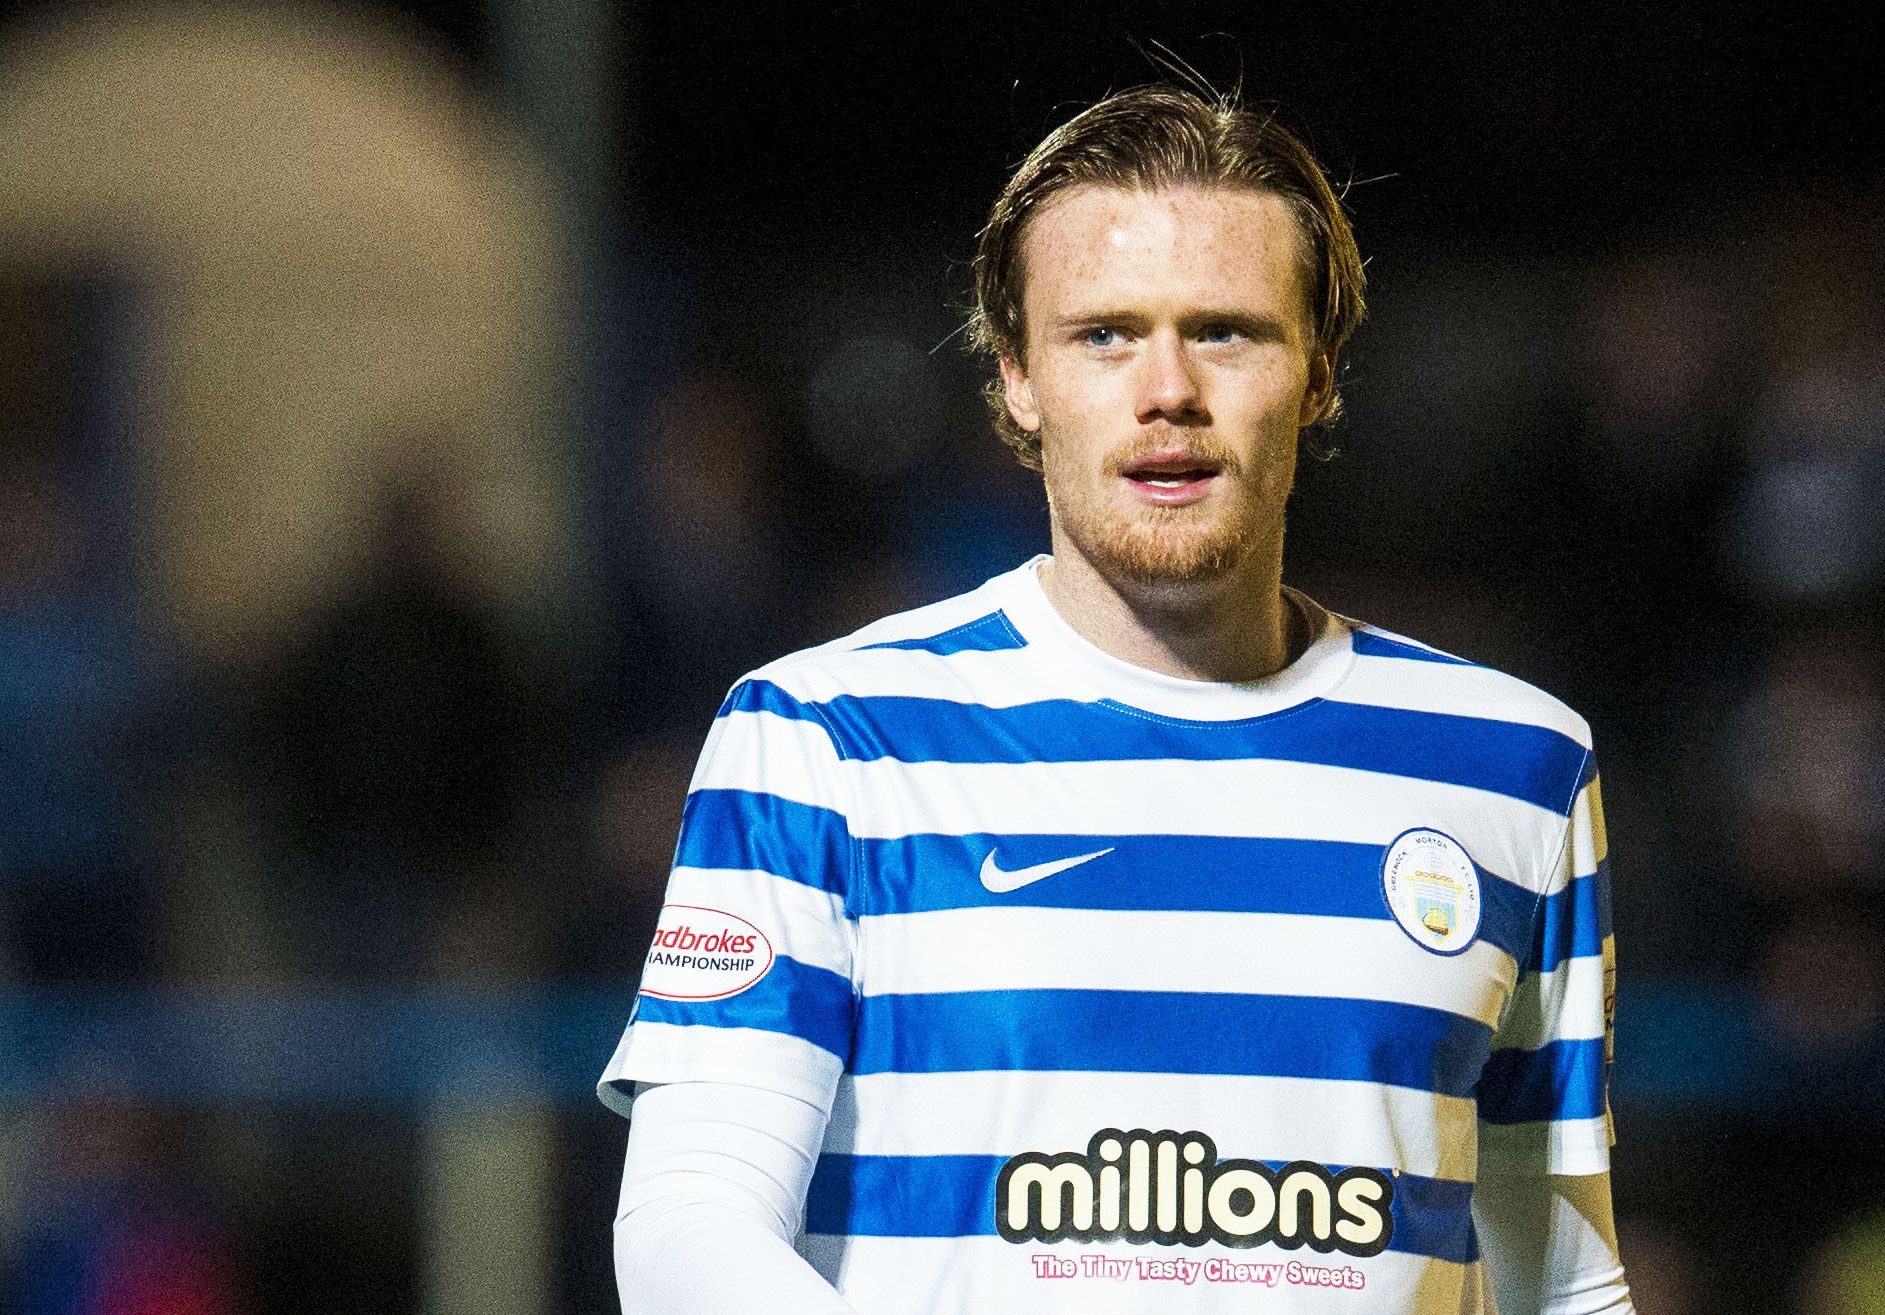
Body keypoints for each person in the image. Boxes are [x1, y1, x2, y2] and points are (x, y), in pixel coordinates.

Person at [602, 84, 1634, 1315]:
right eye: (1103, 334)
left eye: (1229, 332)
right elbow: (685, 1231)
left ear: (1318, 374)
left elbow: (1566, 1284)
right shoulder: (823, 740)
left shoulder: (1514, 764)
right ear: (1019, 381)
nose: (1168, 390)